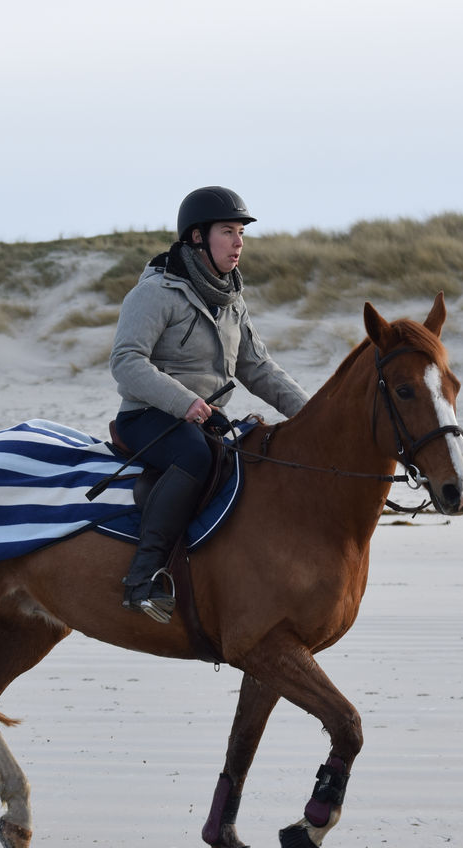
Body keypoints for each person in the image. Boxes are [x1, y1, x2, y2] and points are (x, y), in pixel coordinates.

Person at [108, 186, 310, 623]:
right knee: (196, 455)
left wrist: (312, 415)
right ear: (197, 238)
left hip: (201, 417)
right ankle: (142, 579)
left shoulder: (232, 302)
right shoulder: (156, 292)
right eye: (228, 232)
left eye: (241, 233)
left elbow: (258, 368)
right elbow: (125, 362)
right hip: (148, 417)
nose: (239, 242)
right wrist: (185, 402)